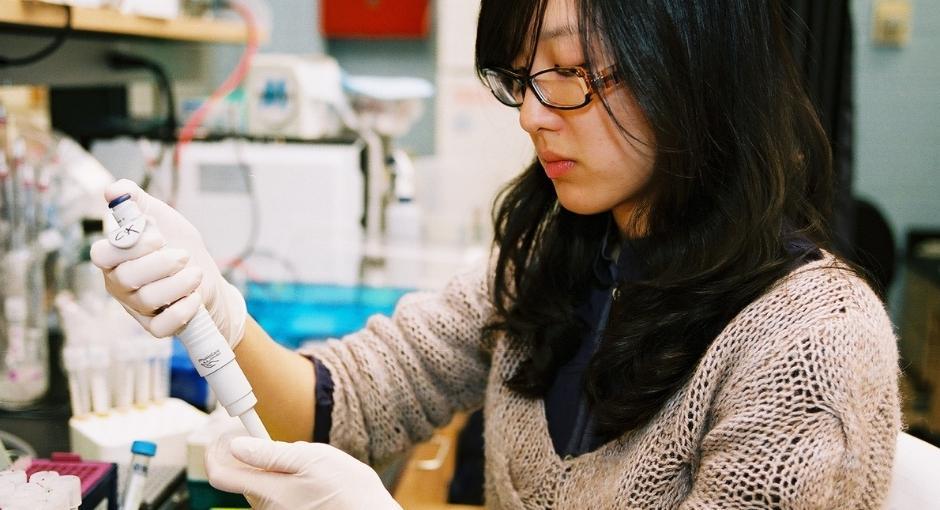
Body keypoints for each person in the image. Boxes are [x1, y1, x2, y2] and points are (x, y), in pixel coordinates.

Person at [90, 0, 901, 508]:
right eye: (523, 75)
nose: (533, 115)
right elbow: (346, 401)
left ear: (698, 63)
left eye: (571, 71)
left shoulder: (809, 347)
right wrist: (217, 312)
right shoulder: (562, 258)